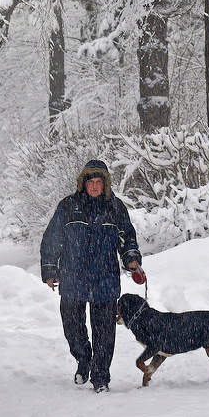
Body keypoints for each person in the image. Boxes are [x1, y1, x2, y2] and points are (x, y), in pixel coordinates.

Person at [40, 159, 146, 393]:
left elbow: (127, 237)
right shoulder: (68, 206)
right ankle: (83, 359)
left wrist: (131, 259)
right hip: (72, 277)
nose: (95, 186)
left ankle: (101, 377)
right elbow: (52, 239)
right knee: (72, 326)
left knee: (105, 332)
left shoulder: (115, 208)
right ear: (84, 183)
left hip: (105, 279)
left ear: (105, 184)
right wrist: (49, 268)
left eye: (99, 182)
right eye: (91, 182)